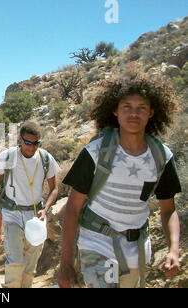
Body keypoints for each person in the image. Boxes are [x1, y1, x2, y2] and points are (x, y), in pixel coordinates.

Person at [57, 70, 181, 288]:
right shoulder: (96, 151)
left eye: (141, 108)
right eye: (127, 107)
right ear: (114, 110)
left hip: (137, 248)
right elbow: (73, 209)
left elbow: (168, 209)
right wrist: (65, 264)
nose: (134, 114)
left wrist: (173, 249)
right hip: (97, 242)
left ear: (152, 112)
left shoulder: (162, 156)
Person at [0, 120, 61, 288]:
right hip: (12, 214)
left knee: (30, 266)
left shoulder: (45, 158)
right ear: (20, 139)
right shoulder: (8, 156)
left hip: (35, 217)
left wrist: (46, 209)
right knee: (15, 262)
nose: (31, 147)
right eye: (27, 142)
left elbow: (54, 189)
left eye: (36, 143)